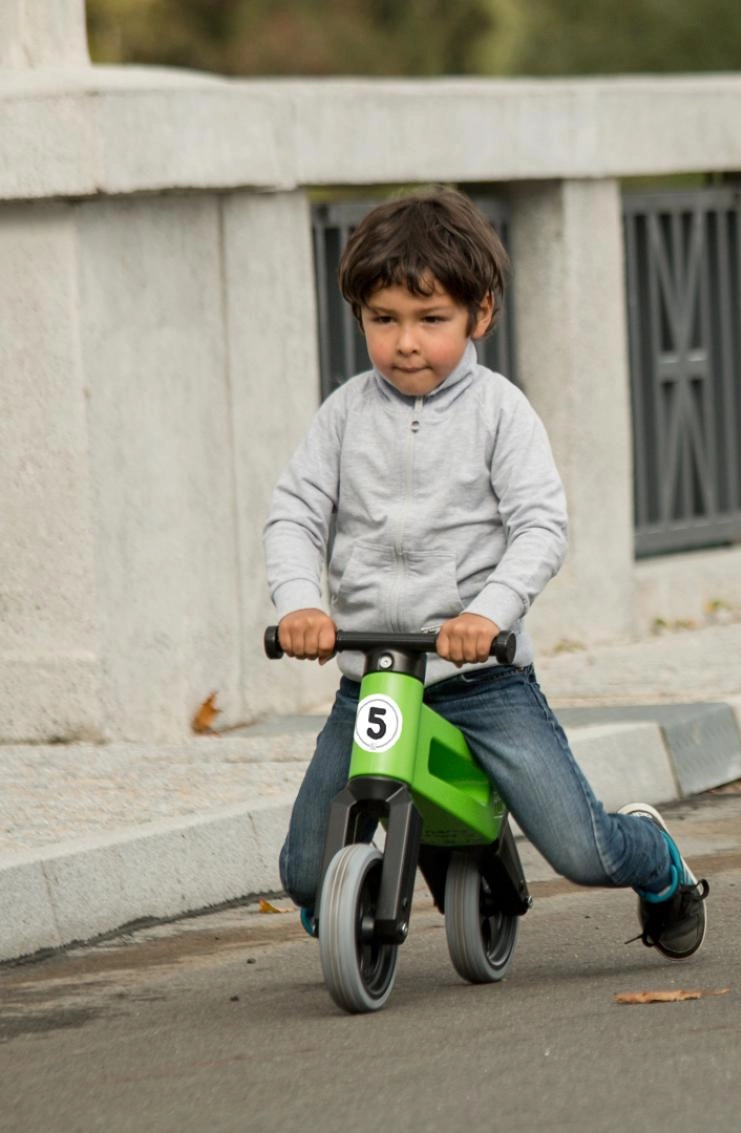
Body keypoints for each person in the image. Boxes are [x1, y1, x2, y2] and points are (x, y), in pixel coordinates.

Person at [264, 186, 707, 957]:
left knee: (583, 850)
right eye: (383, 319)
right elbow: (295, 514)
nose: (406, 342)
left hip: (482, 682)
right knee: (303, 872)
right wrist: (301, 602)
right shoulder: (343, 415)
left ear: (481, 313)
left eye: (430, 319)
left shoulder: (500, 411)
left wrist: (487, 614)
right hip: (372, 681)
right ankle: (347, 900)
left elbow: (541, 525)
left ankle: (658, 860)